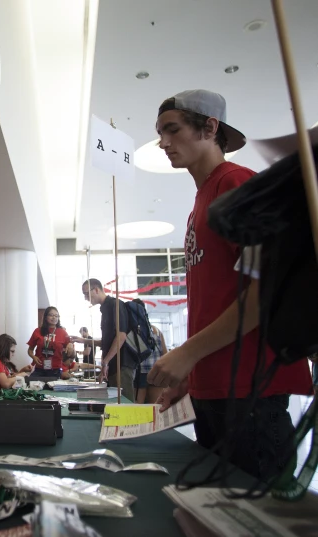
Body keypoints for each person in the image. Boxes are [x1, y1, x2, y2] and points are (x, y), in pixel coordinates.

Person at [147, 89, 312, 481]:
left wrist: (187, 353)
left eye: (172, 130)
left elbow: (264, 291)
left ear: (210, 127)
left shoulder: (238, 184)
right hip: (215, 389)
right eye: (160, 133)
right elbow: (215, 298)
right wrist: (192, 374)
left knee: (258, 517)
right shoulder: (200, 203)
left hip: (249, 387)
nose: (163, 143)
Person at [73, 279, 137, 401]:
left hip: (122, 363)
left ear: (96, 289)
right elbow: (107, 342)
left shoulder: (115, 305)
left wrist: (105, 362)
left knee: (124, 403)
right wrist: (84, 341)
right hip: (113, 365)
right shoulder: (105, 309)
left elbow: (121, 336)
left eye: (86, 293)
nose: (86, 298)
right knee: (114, 402)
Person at [27, 307, 73, 378]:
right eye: (51, 315)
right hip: (39, 368)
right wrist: (34, 357)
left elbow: (71, 351)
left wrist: (70, 344)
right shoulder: (37, 331)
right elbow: (30, 350)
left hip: (56, 369)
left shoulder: (63, 332)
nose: (54, 317)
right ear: (46, 317)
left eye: (56, 316)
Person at [135, 313, 166, 404]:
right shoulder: (157, 330)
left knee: (138, 406)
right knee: (156, 405)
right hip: (156, 370)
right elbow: (164, 352)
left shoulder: (135, 330)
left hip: (140, 372)